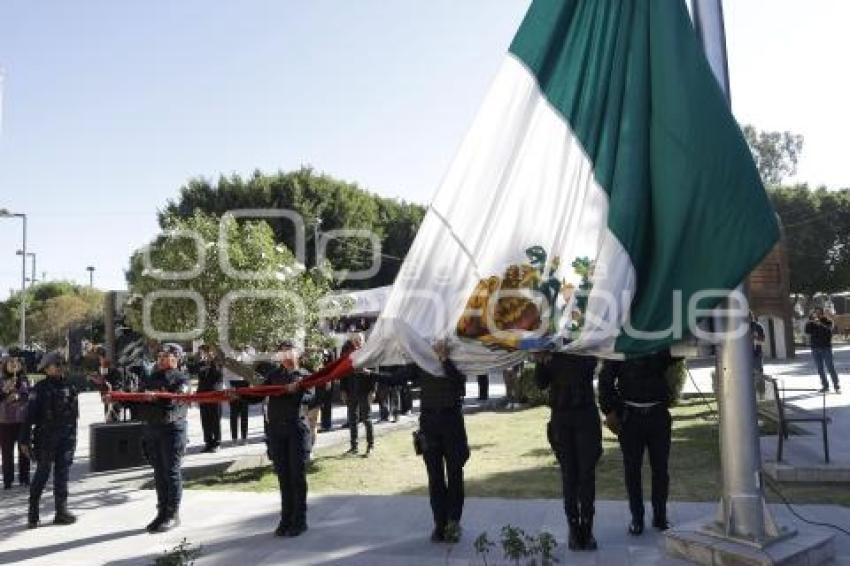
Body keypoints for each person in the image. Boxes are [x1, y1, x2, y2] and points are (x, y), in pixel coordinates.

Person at [599, 349, 676, 536]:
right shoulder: (623, 342)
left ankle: (660, 517)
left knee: (661, 469)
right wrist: (611, 409)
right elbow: (605, 379)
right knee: (632, 470)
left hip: (657, 416)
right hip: (631, 418)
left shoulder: (657, 339)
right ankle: (637, 518)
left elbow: (676, 353)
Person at [242, 340, 313, 537]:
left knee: (296, 477)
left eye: (289, 351)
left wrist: (297, 389)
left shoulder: (305, 375)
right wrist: (239, 395)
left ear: (297, 354)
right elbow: (259, 394)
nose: (285, 355)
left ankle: (299, 520)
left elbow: (312, 397)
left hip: (296, 430)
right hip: (276, 431)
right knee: (283, 476)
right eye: (281, 352)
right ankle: (286, 518)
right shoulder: (274, 375)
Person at [535, 352, 601, 551]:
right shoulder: (551, 347)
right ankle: (573, 529)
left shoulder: (585, 344)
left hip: (585, 416)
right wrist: (540, 361)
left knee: (586, 476)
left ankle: (587, 530)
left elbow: (587, 368)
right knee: (569, 476)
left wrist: (555, 359)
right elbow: (540, 383)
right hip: (562, 419)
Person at [412, 341, 470, 544]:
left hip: (451, 422)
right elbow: (397, 377)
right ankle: (440, 524)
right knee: (435, 477)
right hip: (429, 424)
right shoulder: (420, 360)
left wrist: (445, 358)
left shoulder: (456, 357)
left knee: (455, 475)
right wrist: (367, 372)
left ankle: (453, 524)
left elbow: (459, 384)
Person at [19, 352, 78, 528]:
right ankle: (33, 513)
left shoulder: (70, 386)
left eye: (61, 364)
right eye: (55, 364)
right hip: (46, 437)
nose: (59, 367)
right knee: (42, 473)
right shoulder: (40, 388)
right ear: (46, 368)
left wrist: (73, 438)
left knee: (63, 474)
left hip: (66, 437)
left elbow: (73, 416)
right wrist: (24, 440)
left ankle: (61, 511)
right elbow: (28, 416)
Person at [137, 344, 191, 533]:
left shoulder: (182, 377)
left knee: (171, 472)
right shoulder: (152, 377)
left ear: (176, 358)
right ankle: (161, 512)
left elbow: (176, 397)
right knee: (159, 473)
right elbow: (138, 396)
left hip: (172, 429)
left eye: (166, 356)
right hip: (153, 428)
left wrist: (157, 397)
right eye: (160, 356)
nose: (161, 359)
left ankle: (172, 514)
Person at [340, 335, 377, 456]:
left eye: (359, 340)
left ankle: (370, 446)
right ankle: (354, 446)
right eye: (355, 340)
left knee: (367, 419)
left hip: (365, 391)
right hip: (351, 391)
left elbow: (374, 374)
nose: (357, 342)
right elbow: (343, 374)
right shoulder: (349, 355)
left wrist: (373, 391)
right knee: (352, 420)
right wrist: (343, 390)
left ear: (363, 341)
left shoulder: (369, 354)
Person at [0, 356, 31, 489]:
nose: (13, 365)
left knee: (24, 449)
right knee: (7, 452)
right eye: (10, 363)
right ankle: (8, 480)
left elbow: (29, 396)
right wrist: (5, 391)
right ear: (4, 366)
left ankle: (24, 477)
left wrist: (19, 396)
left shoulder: (24, 380)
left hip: (22, 420)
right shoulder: (1, 381)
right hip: (5, 421)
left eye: (16, 363)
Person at [195, 346, 224, 453]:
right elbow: (199, 376)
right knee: (205, 420)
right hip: (203, 394)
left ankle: (217, 442)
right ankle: (208, 442)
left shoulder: (217, 362)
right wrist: (201, 362)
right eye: (201, 352)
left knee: (215, 419)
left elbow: (217, 374)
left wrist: (212, 361)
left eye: (205, 351)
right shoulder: (201, 364)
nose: (203, 354)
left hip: (214, 394)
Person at [805, 308, 841, 394]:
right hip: (815, 348)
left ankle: (836, 386)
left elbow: (830, 330)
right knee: (820, 369)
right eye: (815, 313)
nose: (817, 314)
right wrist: (810, 321)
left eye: (819, 313)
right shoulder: (811, 323)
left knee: (830, 367)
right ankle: (825, 386)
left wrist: (820, 323)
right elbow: (807, 331)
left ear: (822, 313)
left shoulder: (827, 321)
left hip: (826, 348)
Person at [89, 347, 124, 422]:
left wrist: (93, 378)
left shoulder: (104, 363)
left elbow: (103, 379)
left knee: (111, 416)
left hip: (111, 394)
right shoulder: (102, 364)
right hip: (108, 393)